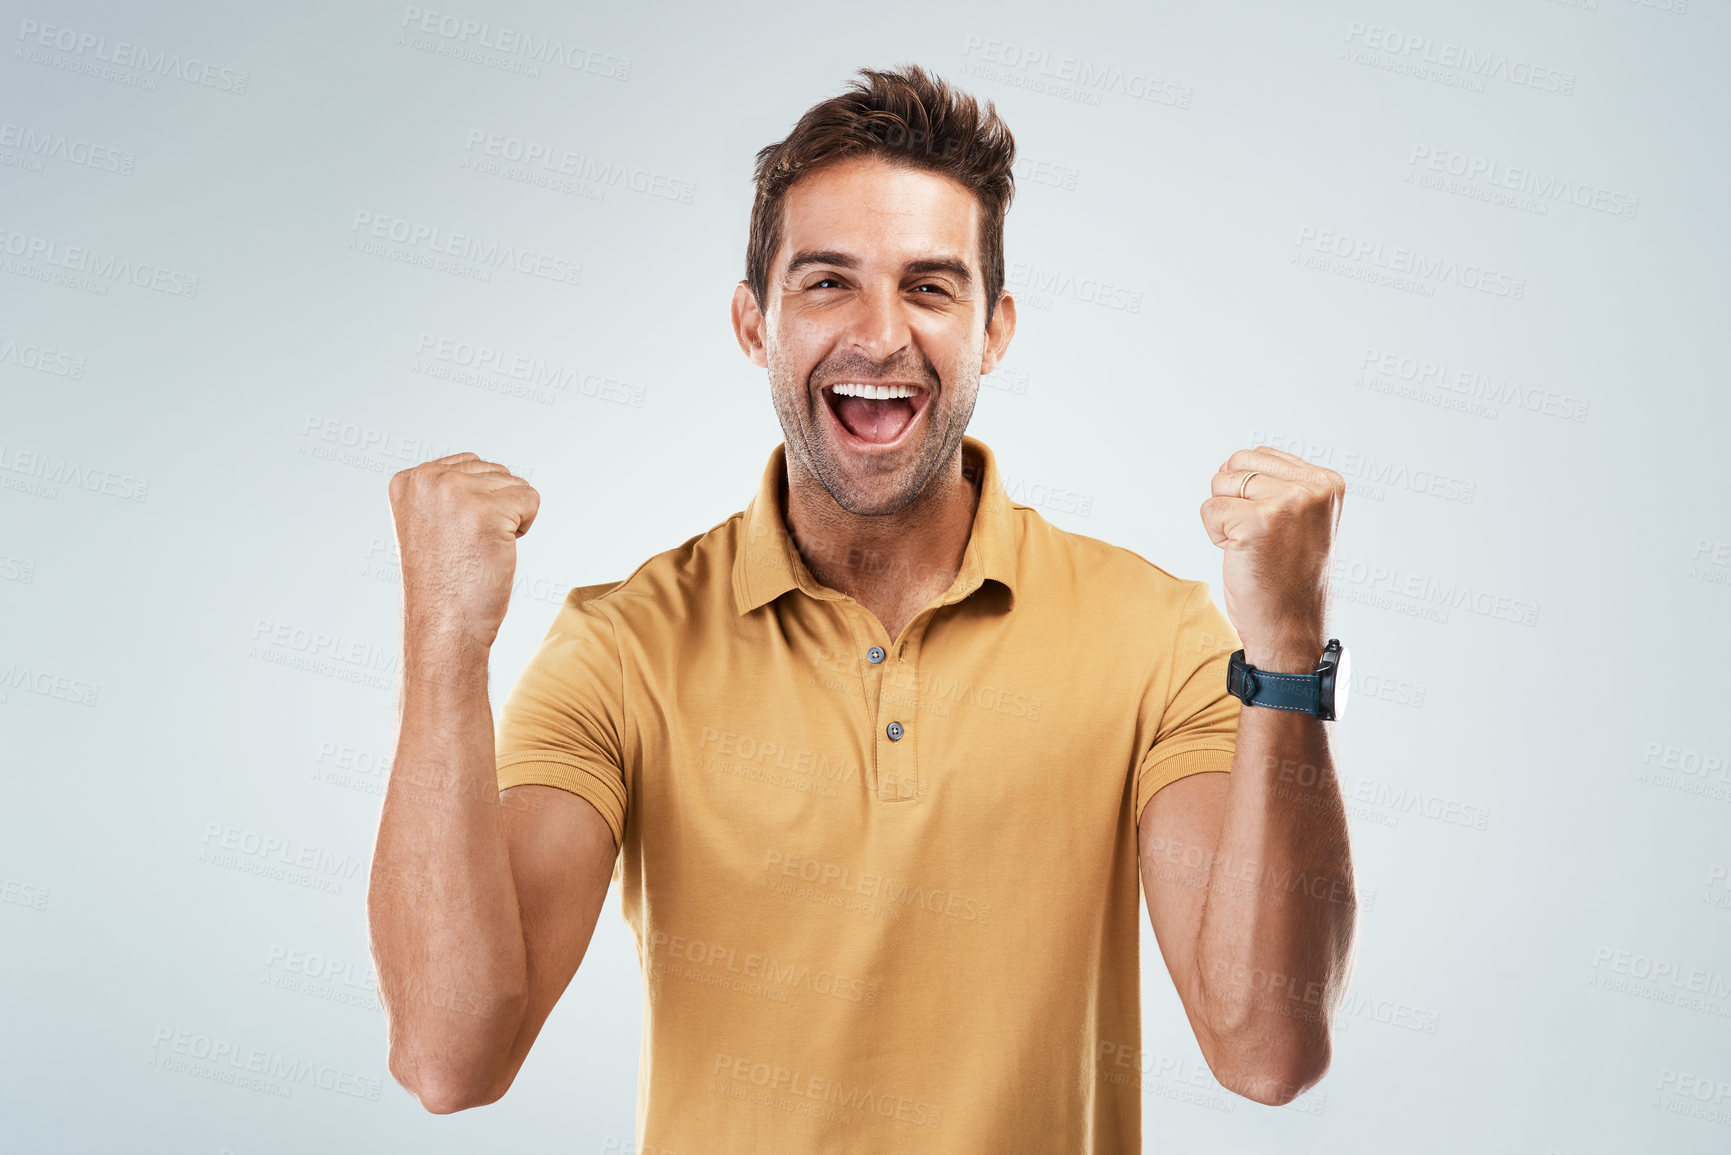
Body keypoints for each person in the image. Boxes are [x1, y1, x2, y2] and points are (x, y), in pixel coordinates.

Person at [367, 63, 1358, 1152]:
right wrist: (442, 645)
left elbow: (1264, 1049)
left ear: (994, 331)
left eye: (930, 286)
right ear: (755, 323)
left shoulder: (1154, 636)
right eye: (828, 282)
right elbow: (449, 1057)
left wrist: (1286, 648)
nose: (882, 335)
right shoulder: (623, 646)